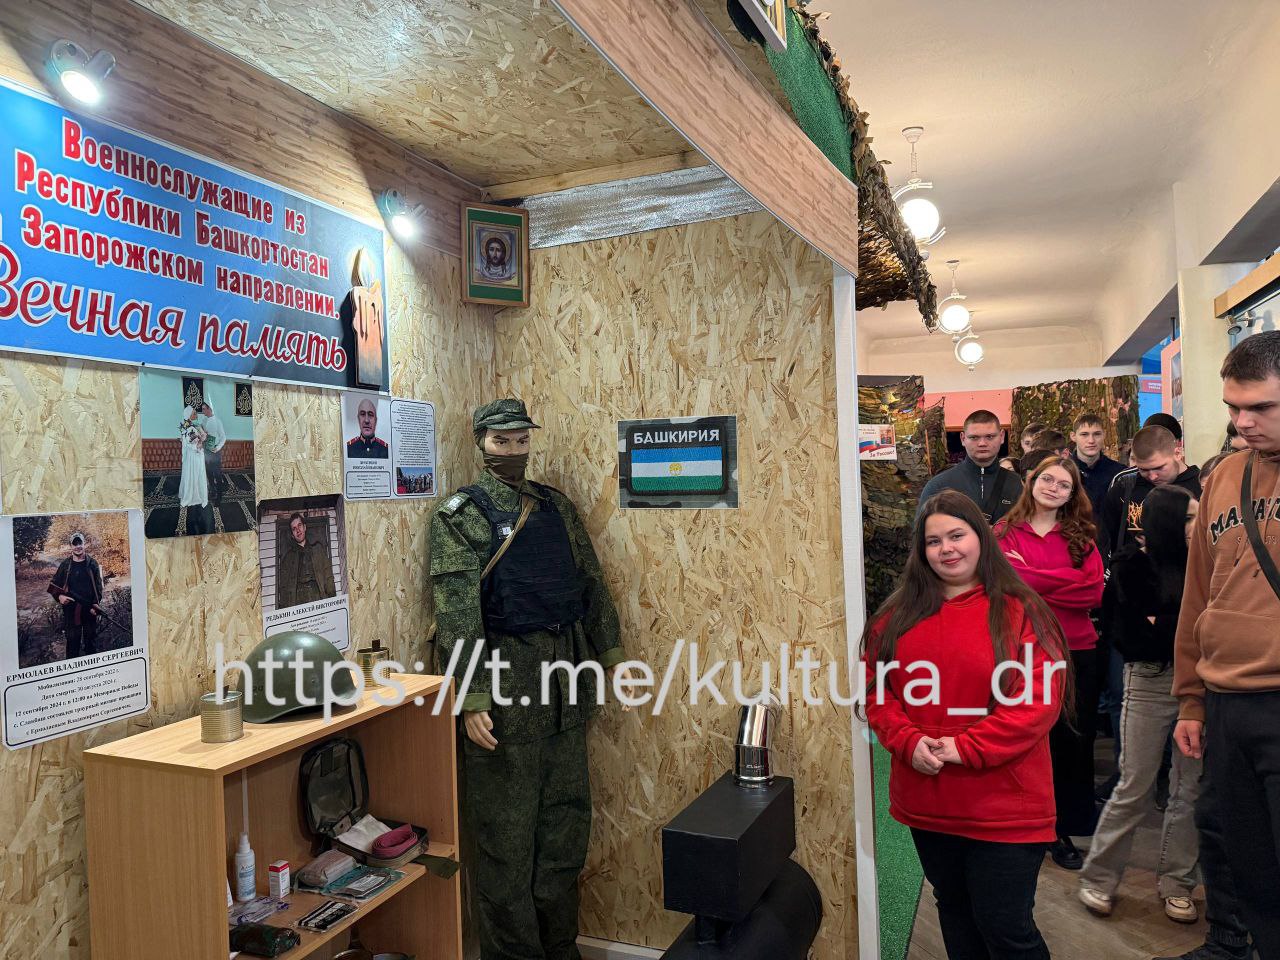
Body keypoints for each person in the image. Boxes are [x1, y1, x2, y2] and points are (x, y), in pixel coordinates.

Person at [430, 399, 629, 960]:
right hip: (506, 698)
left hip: (566, 690)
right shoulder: (460, 516)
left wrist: (612, 654)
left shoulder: (554, 507)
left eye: (521, 441)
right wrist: (472, 698)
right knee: (506, 846)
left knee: (565, 834)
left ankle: (560, 949)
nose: (513, 452)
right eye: (502, 442)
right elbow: (458, 612)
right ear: (481, 442)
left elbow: (589, 581)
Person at [864, 489, 1068, 960]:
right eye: (934, 541)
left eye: (957, 535)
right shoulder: (894, 618)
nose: (947, 549)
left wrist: (965, 748)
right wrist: (907, 740)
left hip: (1006, 807)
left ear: (981, 537)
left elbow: (1037, 704)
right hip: (929, 802)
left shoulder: (1023, 610)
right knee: (954, 910)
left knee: (1006, 929)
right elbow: (877, 694)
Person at [1174, 331, 1280, 957]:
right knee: (1250, 870)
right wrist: (1190, 699)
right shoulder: (1225, 475)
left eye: (1260, 407)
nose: (1241, 423)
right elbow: (1198, 593)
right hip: (1226, 703)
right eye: (1233, 408)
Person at [1078, 486, 1202, 923]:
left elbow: (1196, 625)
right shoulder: (1130, 565)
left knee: (1190, 789)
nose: (1198, 524)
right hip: (1149, 679)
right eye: (1189, 517)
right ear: (1167, 522)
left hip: (1200, 683)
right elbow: (1134, 636)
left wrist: (1166, 621)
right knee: (1135, 785)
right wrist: (1184, 623)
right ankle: (1099, 877)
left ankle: (1178, 884)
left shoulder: (1203, 562)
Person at [996, 456, 1104, 870]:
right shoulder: (1003, 532)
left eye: (1064, 484)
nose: (1053, 488)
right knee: (1026, 740)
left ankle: (1063, 826)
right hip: (1020, 650)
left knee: (1073, 742)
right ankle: (1024, 822)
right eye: (1047, 479)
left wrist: (1030, 578)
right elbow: (1002, 585)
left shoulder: (1081, 537)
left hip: (1075, 650)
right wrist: (1060, 581)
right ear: (1031, 480)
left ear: (1073, 494)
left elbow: (1092, 592)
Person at [1099, 425, 1201, 562]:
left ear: (1177, 454)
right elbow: (1105, 541)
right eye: (1144, 470)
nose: (1152, 477)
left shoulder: (1203, 486)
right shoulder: (1124, 487)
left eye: (1159, 468)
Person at [918, 410, 1022, 524]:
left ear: (1002, 436)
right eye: (974, 437)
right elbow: (922, 531)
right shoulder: (939, 485)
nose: (982, 443)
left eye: (990, 436)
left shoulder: (1017, 484)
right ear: (963, 438)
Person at [46, 532, 104, 660]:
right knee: (72, 644)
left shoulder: (92, 564)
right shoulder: (65, 565)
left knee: (91, 643)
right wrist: (60, 597)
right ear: (71, 546)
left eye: (80, 543)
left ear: (85, 544)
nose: (78, 546)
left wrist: (95, 604)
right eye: (75, 544)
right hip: (71, 610)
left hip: (90, 610)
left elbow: (98, 588)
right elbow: (53, 585)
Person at [276, 512, 336, 609]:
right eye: (294, 529)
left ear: (305, 527)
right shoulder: (288, 559)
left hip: (319, 600)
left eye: (299, 525)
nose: (298, 530)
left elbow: (328, 576)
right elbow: (283, 589)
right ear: (292, 535)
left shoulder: (318, 550)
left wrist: (332, 601)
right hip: (298, 605)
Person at [1071, 413, 1125, 517]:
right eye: (1084, 434)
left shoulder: (1119, 473)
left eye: (1097, 434)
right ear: (1073, 436)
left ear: (1104, 435)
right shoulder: (1062, 471)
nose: (1091, 440)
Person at [178, 405, 211, 534]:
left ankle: (194, 494)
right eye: (194, 413)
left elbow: (194, 441)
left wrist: (203, 436)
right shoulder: (190, 428)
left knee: (195, 474)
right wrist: (201, 440)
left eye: (195, 412)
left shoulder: (192, 426)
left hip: (195, 456)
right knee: (195, 474)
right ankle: (193, 495)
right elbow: (193, 445)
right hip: (194, 457)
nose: (196, 414)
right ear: (189, 415)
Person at [200, 401, 227, 506]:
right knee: (209, 473)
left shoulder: (217, 421)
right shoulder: (204, 420)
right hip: (206, 450)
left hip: (215, 452)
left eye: (204, 409)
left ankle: (219, 496)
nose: (202, 411)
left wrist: (217, 448)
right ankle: (212, 491)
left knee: (217, 474)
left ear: (209, 409)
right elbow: (202, 433)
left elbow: (223, 437)